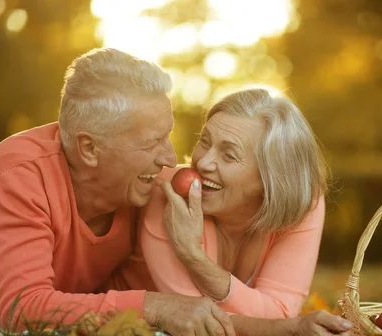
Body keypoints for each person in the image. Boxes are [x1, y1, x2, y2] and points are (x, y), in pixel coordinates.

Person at [0, 48, 236, 336]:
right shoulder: (18, 177)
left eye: (168, 135)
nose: (170, 159)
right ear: (89, 149)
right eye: (153, 142)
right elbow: (23, 311)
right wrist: (155, 306)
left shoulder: (149, 188)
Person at [108, 88, 327, 319]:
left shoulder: (302, 201)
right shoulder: (169, 192)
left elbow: (281, 313)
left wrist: (193, 256)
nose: (203, 162)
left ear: (270, 180)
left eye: (228, 155)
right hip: (126, 330)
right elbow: (196, 321)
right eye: (204, 141)